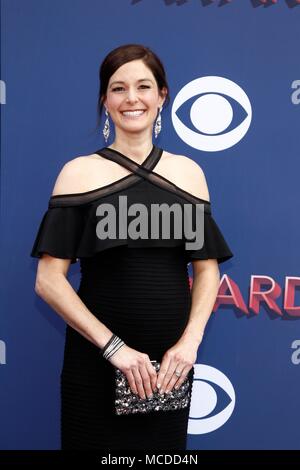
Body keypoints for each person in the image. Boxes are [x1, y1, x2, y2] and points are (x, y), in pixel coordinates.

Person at [30, 43, 233, 450]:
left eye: (143, 86)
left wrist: (189, 343)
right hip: (98, 363)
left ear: (162, 96)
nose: (132, 98)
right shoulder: (78, 174)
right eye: (118, 88)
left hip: (169, 369)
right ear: (105, 100)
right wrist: (115, 349)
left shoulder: (189, 173)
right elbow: (49, 280)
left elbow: (207, 269)